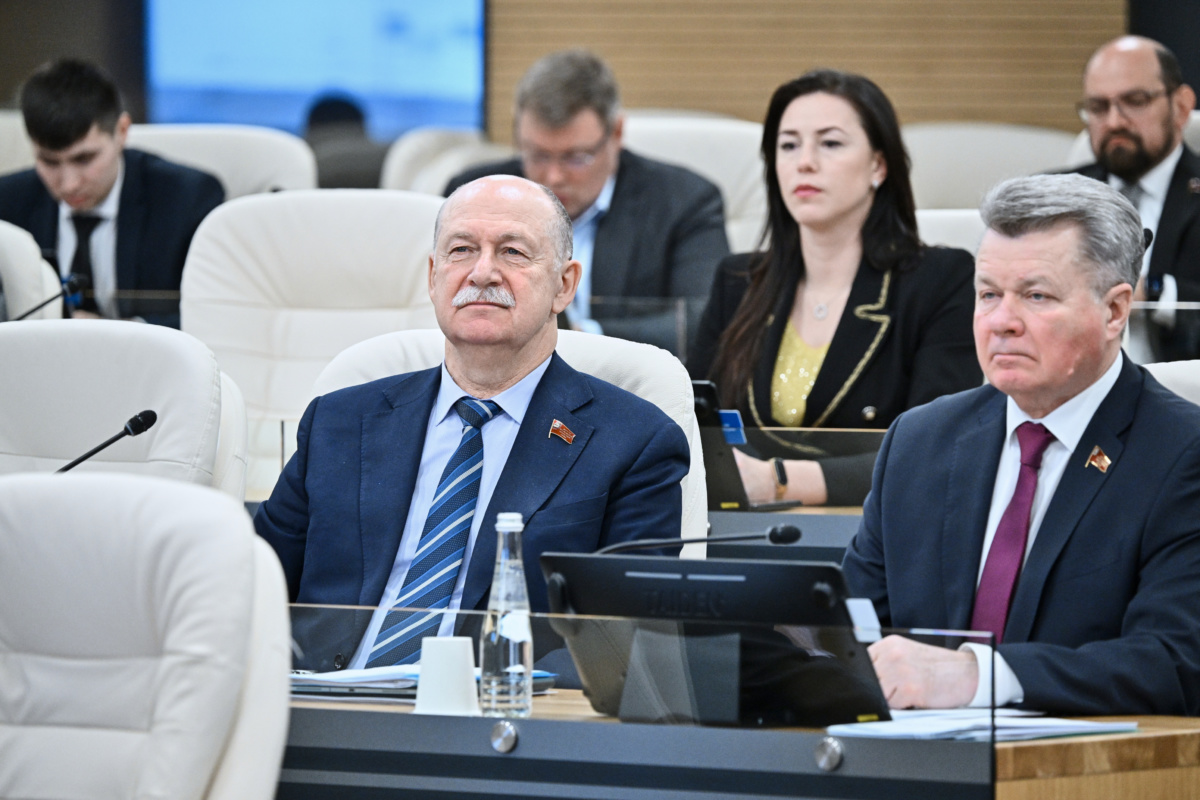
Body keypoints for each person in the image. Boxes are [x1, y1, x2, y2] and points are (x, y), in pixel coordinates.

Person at [254, 175, 690, 670]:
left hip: (501, 706)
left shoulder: (635, 442)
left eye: (513, 252)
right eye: (461, 250)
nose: (482, 273)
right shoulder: (339, 422)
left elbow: (621, 638)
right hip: (323, 700)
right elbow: (251, 582)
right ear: (433, 277)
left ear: (564, 285)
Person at [843, 174, 1200, 716]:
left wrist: (980, 677)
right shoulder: (919, 440)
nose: (1001, 323)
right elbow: (851, 629)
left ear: (1114, 311)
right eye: (989, 294)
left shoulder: (1181, 453)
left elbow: (1175, 661)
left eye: (1036, 296)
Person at [688, 69, 981, 507]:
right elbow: (691, 423)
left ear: (879, 165)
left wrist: (778, 480)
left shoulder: (941, 280)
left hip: (875, 526)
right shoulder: (739, 281)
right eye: (788, 145)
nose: (804, 162)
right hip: (738, 527)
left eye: (830, 143)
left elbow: (938, 449)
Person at [444, 49, 730, 354]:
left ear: (616, 134)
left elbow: (704, 320)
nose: (553, 177)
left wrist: (579, 339)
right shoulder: (474, 194)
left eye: (576, 158)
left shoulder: (684, 201)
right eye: (538, 155)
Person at [0, 59, 224, 328]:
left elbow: (214, 313)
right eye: (49, 162)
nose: (69, 184)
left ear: (122, 131)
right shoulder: (7, 202)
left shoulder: (186, 198)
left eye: (84, 159)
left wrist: (119, 333)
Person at [1071, 36, 1200, 362]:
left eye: (1135, 101)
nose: (1114, 121)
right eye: (1098, 107)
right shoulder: (1053, 196)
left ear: (1181, 106)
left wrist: (1157, 291)